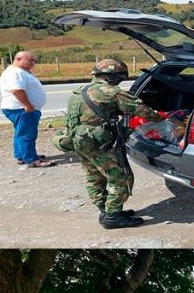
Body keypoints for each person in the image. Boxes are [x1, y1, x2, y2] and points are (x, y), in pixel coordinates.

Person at [58, 59, 164, 229]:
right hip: (102, 142)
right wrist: (162, 117)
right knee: (120, 177)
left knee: (94, 177)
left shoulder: (78, 92)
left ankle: (105, 212)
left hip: (80, 141)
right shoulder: (111, 92)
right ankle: (113, 217)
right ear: (113, 77)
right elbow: (144, 111)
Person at [0, 51, 53, 168]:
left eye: (34, 61)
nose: (33, 63)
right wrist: (28, 105)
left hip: (19, 108)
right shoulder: (16, 72)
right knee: (27, 134)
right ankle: (31, 159)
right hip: (21, 109)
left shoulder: (20, 71)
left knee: (20, 132)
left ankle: (21, 156)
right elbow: (17, 90)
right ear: (18, 59)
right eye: (30, 60)